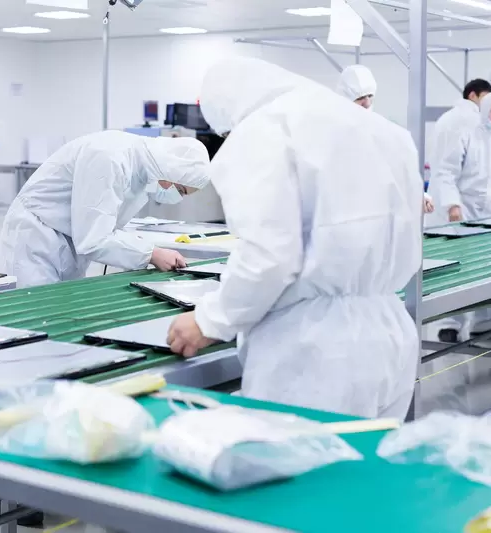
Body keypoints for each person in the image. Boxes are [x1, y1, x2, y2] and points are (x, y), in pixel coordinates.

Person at [167, 57, 423, 419]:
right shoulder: (381, 130)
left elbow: (269, 254)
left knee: (301, 469)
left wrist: (210, 320)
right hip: (390, 330)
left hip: (315, 349)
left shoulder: (265, 128)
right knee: (365, 469)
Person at [0, 131, 210, 288]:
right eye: (180, 189)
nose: (176, 196)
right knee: (33, 318)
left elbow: (101, 225)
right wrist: (151, 254)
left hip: (66, 242)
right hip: (36, 241)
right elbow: (93, 239)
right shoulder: (110, 157)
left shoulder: (141, 169)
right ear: (171, 168)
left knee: (60, 315)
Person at [432, 91, 491, 341]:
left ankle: (485, 322)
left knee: (490, 267)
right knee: (460, 266)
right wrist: (452, 205)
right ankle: (450, 322)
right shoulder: (467, 136)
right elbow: (446, 173)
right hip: (467, 209)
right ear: (484, 111)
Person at [338, 64, 435, 214]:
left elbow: (395, 169)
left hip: (376, 215)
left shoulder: (380, 129)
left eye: (370, 96)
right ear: (345, 97)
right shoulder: (333, 130)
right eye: (360, 97)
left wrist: (416, 195)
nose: (367, 103)